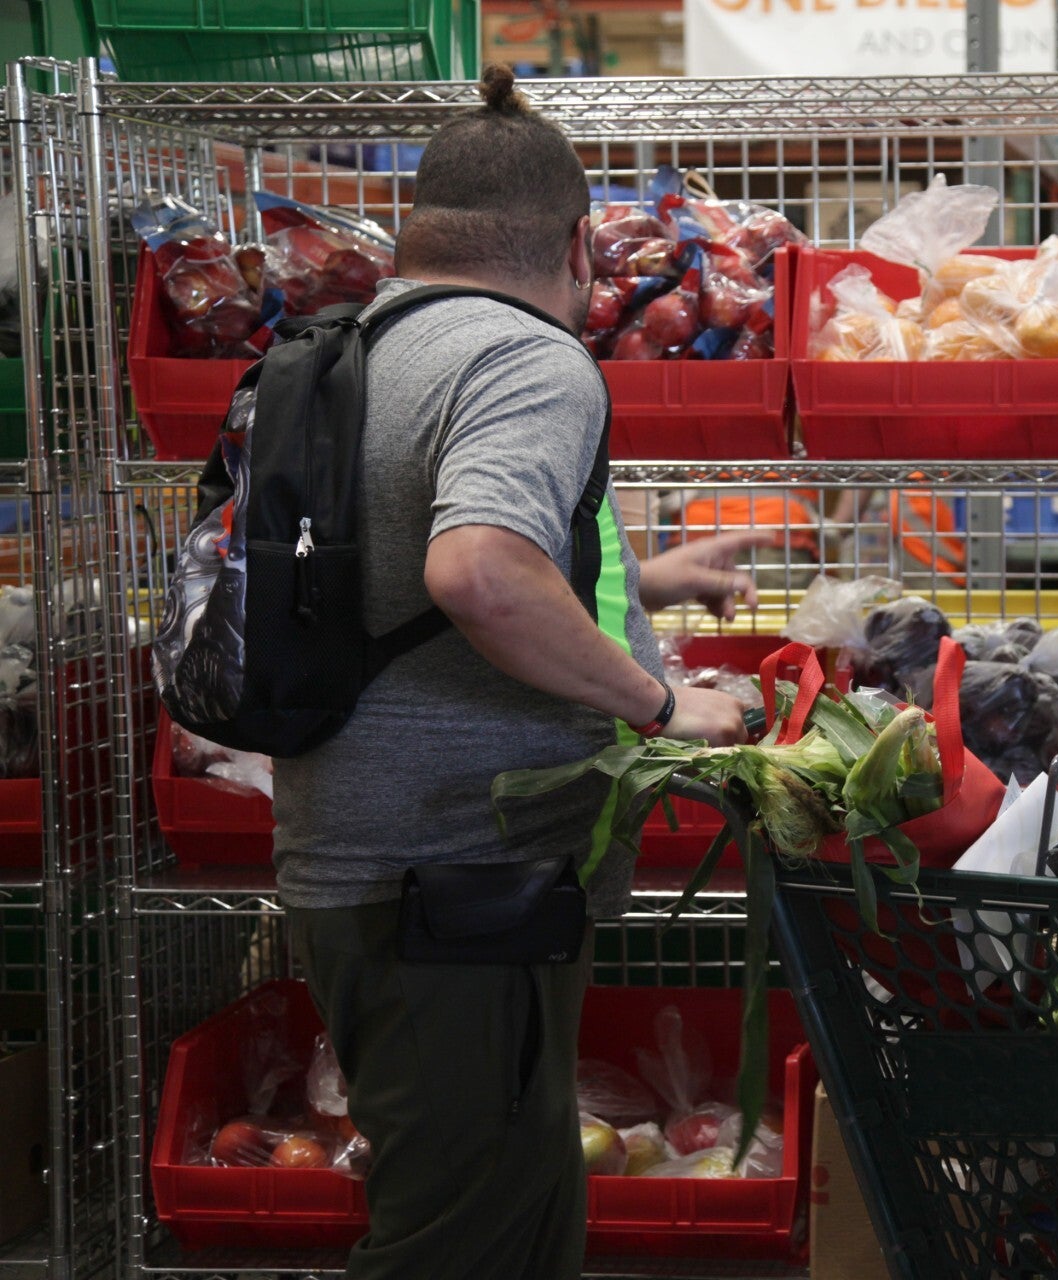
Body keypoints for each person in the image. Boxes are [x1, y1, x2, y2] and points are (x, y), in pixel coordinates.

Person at [273, 67, 761, 1280]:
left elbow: (384, 568)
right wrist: (662, 699)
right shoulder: (526, 359)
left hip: (372, 858)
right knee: (459, 1242)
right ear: (582, 243)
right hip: (455, 880)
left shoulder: (346, 347)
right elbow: (479, 573)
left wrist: (639, 591)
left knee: (510, 1213)